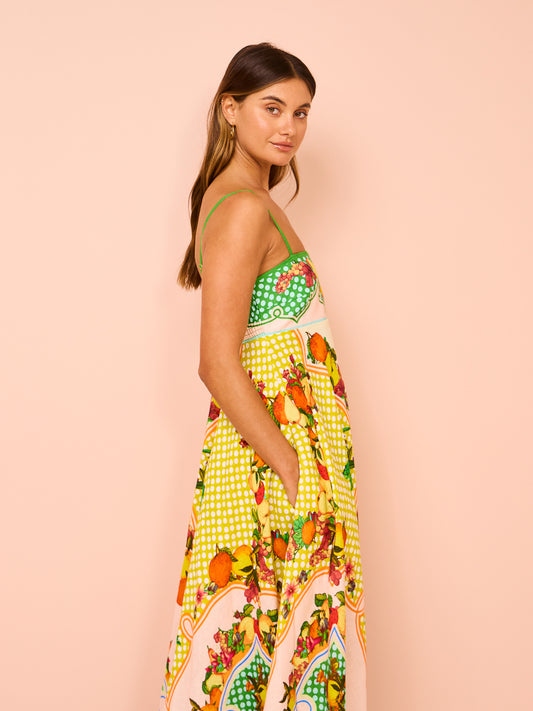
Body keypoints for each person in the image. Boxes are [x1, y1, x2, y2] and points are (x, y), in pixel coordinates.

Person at [159, 41, 367, 711]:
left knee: (278, 643)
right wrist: (295, 470)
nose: (289, 127)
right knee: (277, 646)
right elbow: (216, 362)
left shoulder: (250, 200)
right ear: (230, 109)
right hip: (274, 461)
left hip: (286, 455)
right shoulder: (243, 207)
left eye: (301, 113)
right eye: (272, 108)